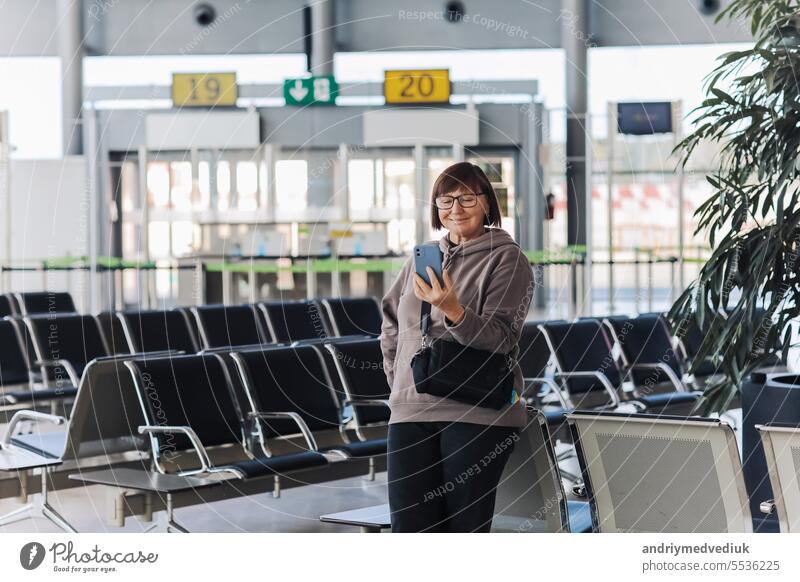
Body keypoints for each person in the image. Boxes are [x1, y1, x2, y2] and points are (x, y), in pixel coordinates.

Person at [379, 161, 535, 533]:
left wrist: (452, 309)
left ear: (487, 204)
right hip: (411, 410)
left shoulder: (508, 259)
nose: (455, 208)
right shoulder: (422, 258)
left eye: (467, 197)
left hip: (476, 411)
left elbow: (502, 337)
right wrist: (399, 378)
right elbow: (391, 321)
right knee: (410, 528)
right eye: (445, 200)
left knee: (463, 530)